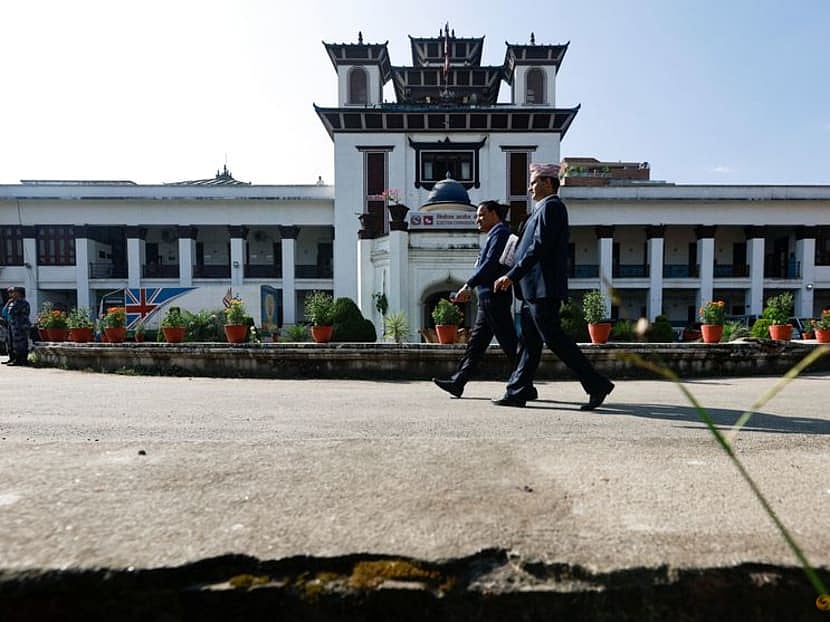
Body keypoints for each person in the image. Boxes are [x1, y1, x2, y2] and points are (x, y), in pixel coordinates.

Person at [492, 163, 614, 410]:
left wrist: (513, 275)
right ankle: (518, 390)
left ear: (548, 183)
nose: (530, 188)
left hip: (543, 289)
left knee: (555, 339)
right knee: (528, 342)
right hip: (532, 290)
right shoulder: (540, 210)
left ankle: (596, 384)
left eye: (533, 183)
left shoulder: (552, 207)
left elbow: (539, 246)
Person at [432, 201, 536, 400]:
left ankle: (525, 385)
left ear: (494, 214)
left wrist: (468, 285)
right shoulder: (495, 234)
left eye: (481, 215)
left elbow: (489, 265)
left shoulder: (500, 234)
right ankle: (458, 382)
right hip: (488, 297)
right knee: (476, 345)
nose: (477, 220)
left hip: (494, 297)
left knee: (509, 344)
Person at [7, 286, 32, 366]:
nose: (13, 294)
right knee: (16, 343)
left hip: (21, 325)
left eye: (14, 292)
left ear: (19, 293)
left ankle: (21, 360)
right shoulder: (16, 302)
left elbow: (12, 311)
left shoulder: (21, 302)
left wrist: (11, 304)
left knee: (20, 344)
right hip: (17, 325)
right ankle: (18, 360)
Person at [1, 287, 15, 364]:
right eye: (9, 292)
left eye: (11, 292)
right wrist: (8, 303)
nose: (10, 294)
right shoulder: (10, 302)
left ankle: (16, 359)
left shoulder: (18, 302)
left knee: (14, 342)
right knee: (9, 342)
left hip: (15, 324)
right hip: (8, 323)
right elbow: (4, 312)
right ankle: (11, 358)